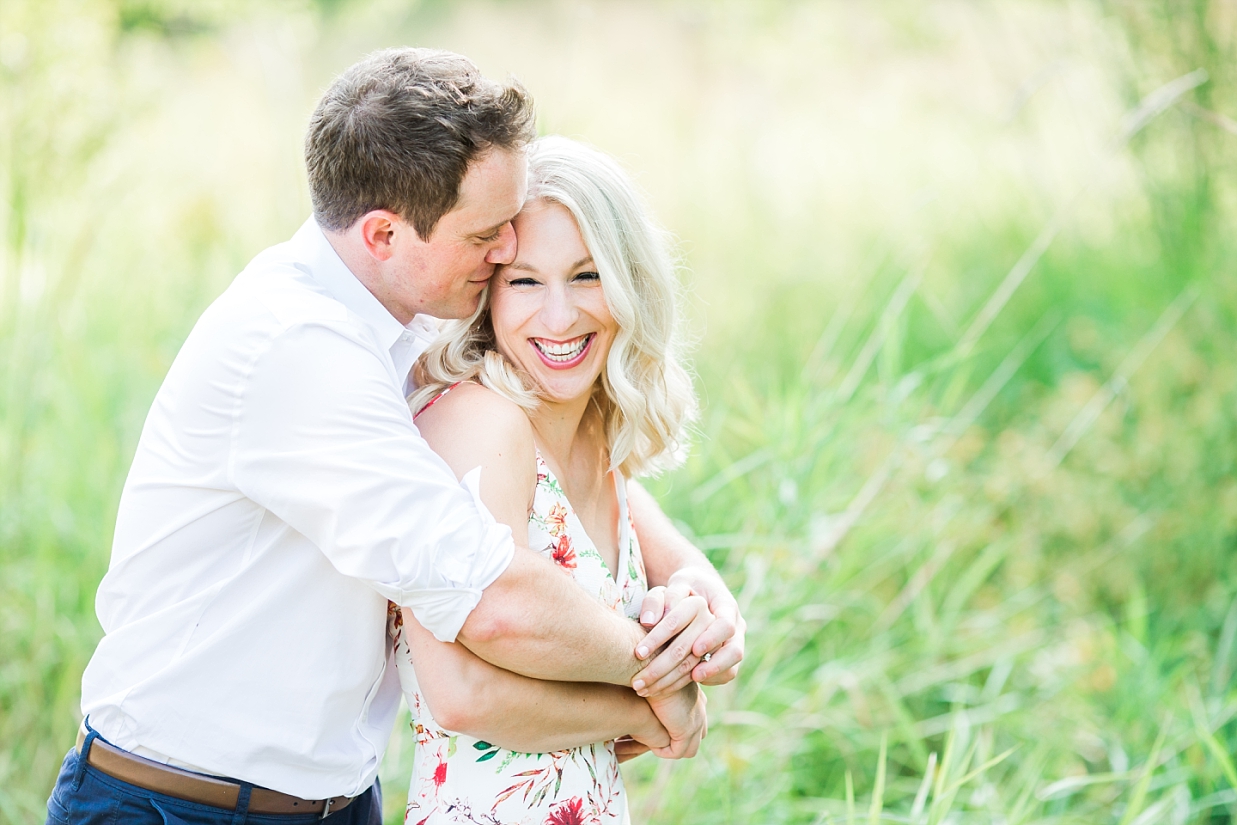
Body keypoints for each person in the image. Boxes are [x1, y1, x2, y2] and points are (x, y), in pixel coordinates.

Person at [46, 48, 743, 825]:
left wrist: (707, 603)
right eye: (488, 235)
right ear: (382, 234)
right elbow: (490, 601)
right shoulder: (295, 346)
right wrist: (659, 682)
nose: (506, 250)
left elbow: (602, 506)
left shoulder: (405, 334)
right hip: (184, 802)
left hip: (337, 801)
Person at [391, 136, 722, 825]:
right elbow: (460, 693)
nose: (560, 315)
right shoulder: (479, 423)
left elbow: (692, 580)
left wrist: (698, 614)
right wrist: (658, 705)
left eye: (586, 274)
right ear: (487, 295)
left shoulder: (593, 438)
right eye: (524, 281)